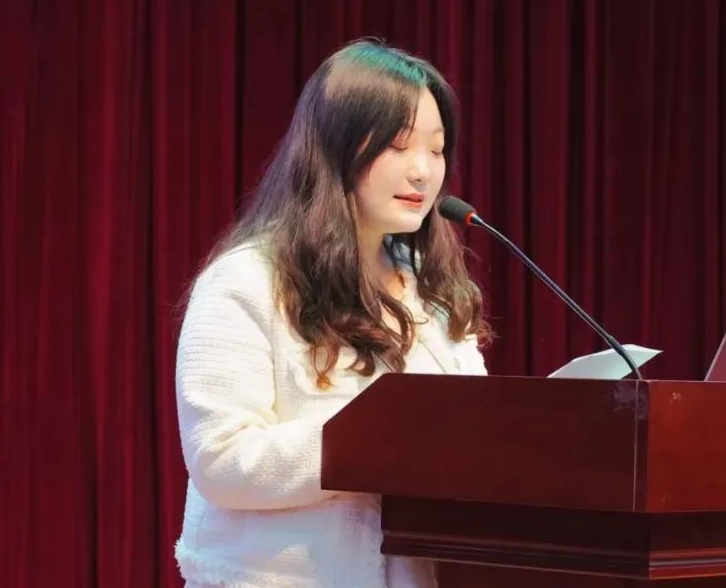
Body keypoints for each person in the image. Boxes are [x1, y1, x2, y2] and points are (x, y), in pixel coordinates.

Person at [173, 39, 491, 588]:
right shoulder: (248, 281)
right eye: (398, 145)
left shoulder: (432, 294)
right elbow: (220, 458)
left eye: (437, 150)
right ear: (335, 148)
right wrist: (378, 443)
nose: (423, 172)